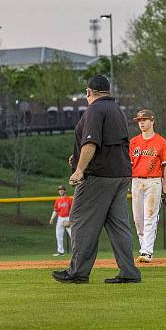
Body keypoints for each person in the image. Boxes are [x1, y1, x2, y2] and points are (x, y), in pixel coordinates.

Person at [51, 74, 142, 284]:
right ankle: (129, 272)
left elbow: (91, 143)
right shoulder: (117, 110)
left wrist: (79, 169)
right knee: (119, 225)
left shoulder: (95, 109)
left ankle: (78, 272)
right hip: (120, 174)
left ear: (89, 92)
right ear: (107, 91)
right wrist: (77, 157)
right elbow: (111, 143)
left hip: (99, 176)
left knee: (81, 221)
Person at [129, 109, 166, 263]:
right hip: (136, 182)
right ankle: (144, 249)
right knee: (138, 219)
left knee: (150, 216)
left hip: (154, 181)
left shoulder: (161, 141)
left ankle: (147, 251)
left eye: (145, 119)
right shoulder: (134, 142)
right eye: (139, 120)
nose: (141, 122)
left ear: (152, 121)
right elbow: (129, 165)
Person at [49, 185, 72, 256]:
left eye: (62, 189)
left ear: (65, 191)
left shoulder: (69, 199)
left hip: (68, 218)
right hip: (60, 218)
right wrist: (52, 218)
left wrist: (71, 220)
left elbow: (73, 210)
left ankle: (78, 251)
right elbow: (55, 210)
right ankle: (60, 252)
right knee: (59, 235)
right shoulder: (58, 200)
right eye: (59, 190)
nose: (60, 191)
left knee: (73, 235)